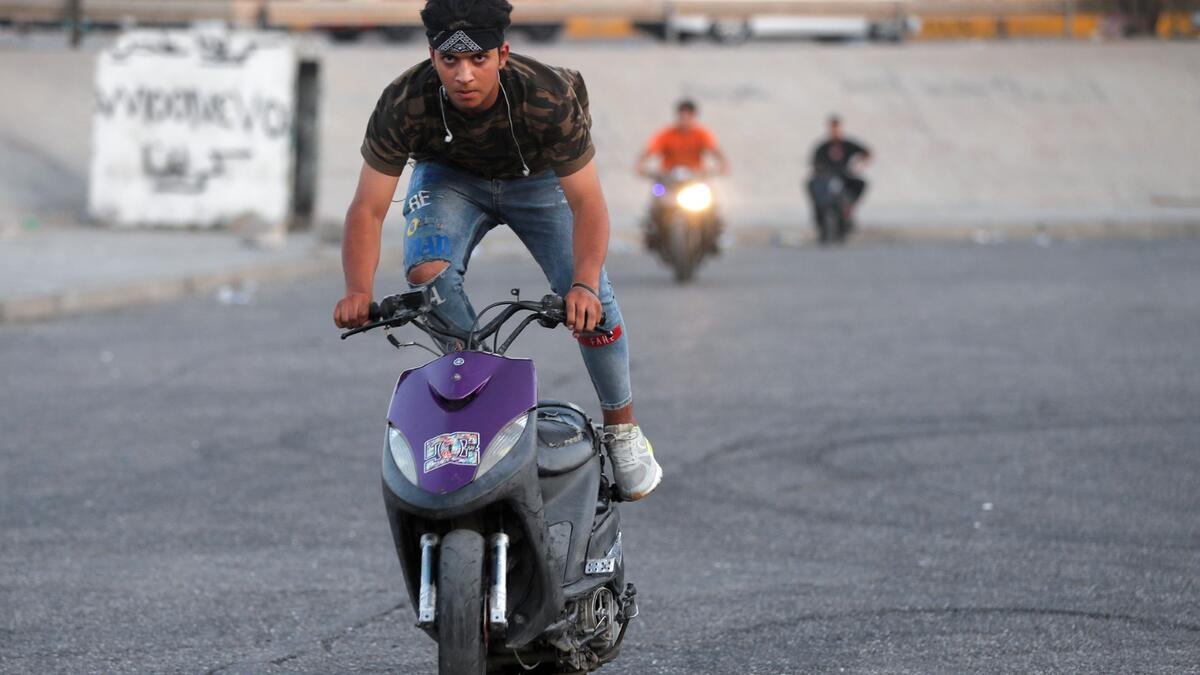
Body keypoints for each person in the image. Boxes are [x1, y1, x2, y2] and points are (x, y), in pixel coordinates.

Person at [332, 0, 661, 500]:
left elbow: (589, 202)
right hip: (450, 179)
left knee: (595, 300)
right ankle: (482, 406)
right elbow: (367, 208)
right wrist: (357, 289)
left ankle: (623, 430)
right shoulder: (404, 100)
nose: (464, 75)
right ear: (432, 56)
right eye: (449, 62)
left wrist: (584, 283)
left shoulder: (546, 94)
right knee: (427, 275)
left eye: (479, 60)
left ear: (502, 54)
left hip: (539, 178)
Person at [807, 115, 871, 230]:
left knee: (861, 183)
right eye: (832, 129)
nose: (834, 131)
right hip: (827, 178)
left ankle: (849, 209)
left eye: (836, 128)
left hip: (845, 176)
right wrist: (818, 171)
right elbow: (815, 163)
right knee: (811, 184)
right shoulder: (823, 147)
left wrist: (859, 164)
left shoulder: (847, 144)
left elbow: (867, 153)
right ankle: (819, 214)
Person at [635, 99, 729, 177]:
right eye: (682, 117)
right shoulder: (666, 134)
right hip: (668, 178)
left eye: (688, 117)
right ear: (678, 116)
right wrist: (641, 164)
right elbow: (650, 150)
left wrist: (722, 164)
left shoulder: (701, 134)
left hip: (695, 177)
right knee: (657, 192)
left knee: (711, 196)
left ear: (694, 117)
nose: (685, 121)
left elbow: (714, 149)